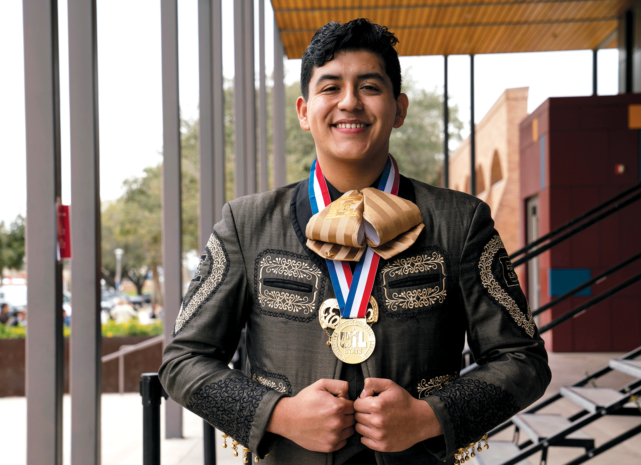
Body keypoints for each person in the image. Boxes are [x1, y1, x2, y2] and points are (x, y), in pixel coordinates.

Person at [159, 19, 551, 465]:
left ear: (398, 109)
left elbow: (523, 360)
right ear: (305, 112)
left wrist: (428, 418)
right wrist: (280, 415)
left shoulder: (461, 221)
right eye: (330, 87)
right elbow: (183, 361)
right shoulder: (246, 224)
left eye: (369, 86)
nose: (349, 102)